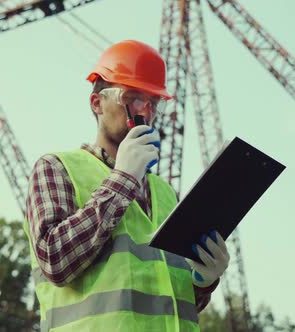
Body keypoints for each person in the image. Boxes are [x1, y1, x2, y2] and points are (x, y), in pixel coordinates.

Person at [24, 40, 230, 331]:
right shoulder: (56, 168)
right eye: (132, 98)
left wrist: (203, 281)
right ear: (97, 103)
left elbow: (170, 302)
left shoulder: (165, 194)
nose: (144, 112)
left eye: (153, 102)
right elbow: (56, 261)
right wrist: (124, 179)